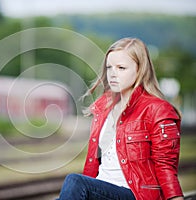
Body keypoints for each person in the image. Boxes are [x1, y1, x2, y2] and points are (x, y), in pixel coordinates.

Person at [57, 38, 184, 200]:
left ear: (140, 70)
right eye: (109, 67)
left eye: (121, 68)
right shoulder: (103, 108)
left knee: (74, 181)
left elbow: (165, 167)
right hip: (101, 190)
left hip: (135, 194)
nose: (113, 74)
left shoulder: (158, 110)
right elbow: (93, 165)